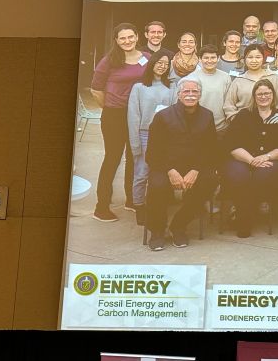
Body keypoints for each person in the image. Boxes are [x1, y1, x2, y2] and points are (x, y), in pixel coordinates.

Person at [144, 79, 217, 250]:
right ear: (178, 94)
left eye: (194, 92)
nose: (191, 95)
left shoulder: (207, 116)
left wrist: (196, 170)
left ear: (200, 95)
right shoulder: (163, 116)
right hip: (165, 166)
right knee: (157, 186)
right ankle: (157, 230)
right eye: (186, 91)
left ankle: (179, 225)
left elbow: (210, 148)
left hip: (195, 166)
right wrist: (170, 171)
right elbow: (153, 151)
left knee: (209, 182)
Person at [90, 22, 149, 222]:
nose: (127, 41)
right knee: (112, 158)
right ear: (116, 40)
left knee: (135, 157)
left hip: (138, 115)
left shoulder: (146, 58)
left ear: (137, 37)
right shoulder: (109, 61)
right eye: (122, 38)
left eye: (130, 36)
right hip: (115, 115)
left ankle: (131, 199)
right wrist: (109, 106)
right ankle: (101, 207)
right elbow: (95, 89)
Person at [222, 79, 278, 238]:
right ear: (254, 96)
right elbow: (231, 144)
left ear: (273, 95)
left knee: (262, 176)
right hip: (242, 158)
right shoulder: (244, 115)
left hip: (271, 160)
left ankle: (242, 216)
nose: (263, 97)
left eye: (267, 93)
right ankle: (245, 217)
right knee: (239, 176)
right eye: (260, 94)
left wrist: (266, 156)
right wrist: (251, 160)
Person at [126, 51, 176, 226]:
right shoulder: (139, 87)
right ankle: (139, 206)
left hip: (165, 135)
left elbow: (174, 112)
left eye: (166, 64)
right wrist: (135, 144)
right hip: (144, 134)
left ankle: (158, 204)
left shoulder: (172, 87)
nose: (162, 66)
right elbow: (133, 116)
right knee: (142, 173)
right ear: (152, 63)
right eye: (159, 62)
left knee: (161, 171)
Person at [223, 43, 278, 123]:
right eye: (250, 57)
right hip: (244, 123)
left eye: (258, 57)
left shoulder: (274, 78)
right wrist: (236, 120)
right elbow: (229, 105)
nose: (254, 61)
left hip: (269, 123)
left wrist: (274, 120)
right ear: (244, 59)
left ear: (263, 58)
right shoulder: (238, 81)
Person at [185, 44, 232, 136]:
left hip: (221, 128)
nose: (209, 61)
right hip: (197, 127)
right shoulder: (191, 78)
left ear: (218, 58)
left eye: (213, 57)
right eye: (206, 58)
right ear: (200, 59)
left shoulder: (225, 77)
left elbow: (228, 102)